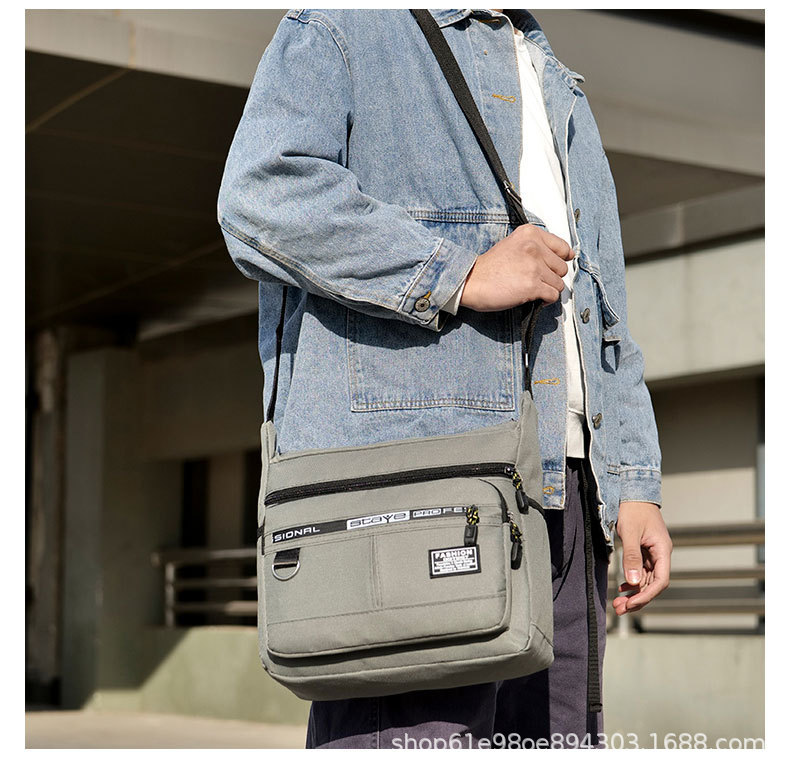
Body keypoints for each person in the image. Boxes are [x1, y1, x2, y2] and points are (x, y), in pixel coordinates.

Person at [217, 8, 673, 749]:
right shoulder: (344, 26)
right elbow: (260, 194)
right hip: (419, 489)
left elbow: (600, 301)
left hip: (563, 496)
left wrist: (633, 482)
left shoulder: (556, 80)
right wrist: (456, 274)